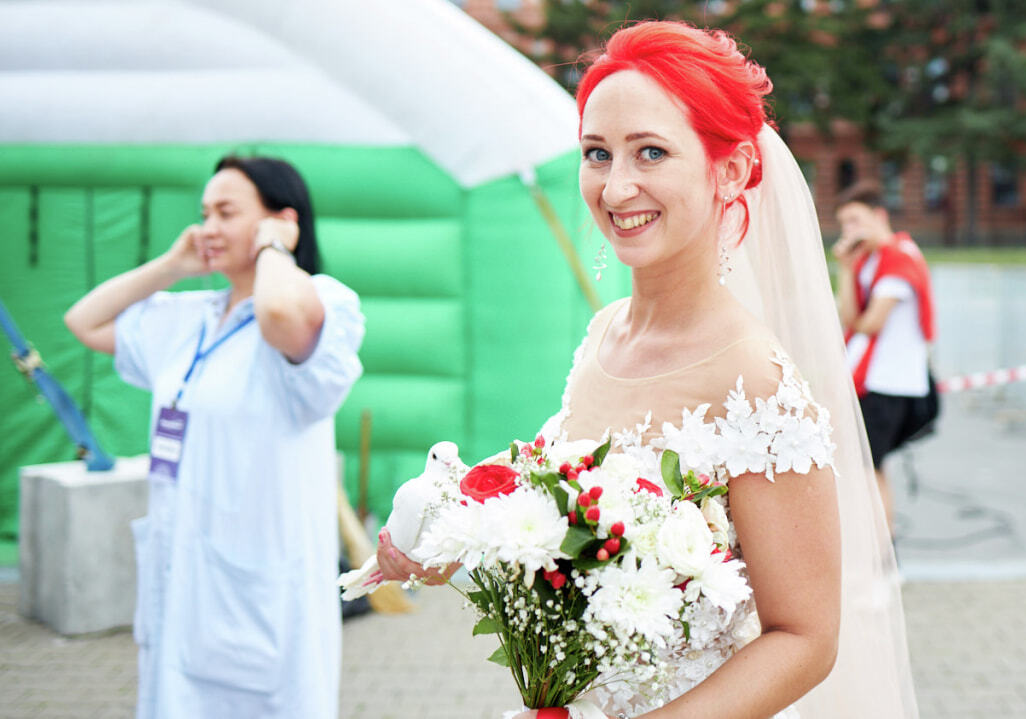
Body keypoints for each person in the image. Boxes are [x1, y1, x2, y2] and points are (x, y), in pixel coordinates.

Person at [377, 21, 916, 719]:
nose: (617, 185)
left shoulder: (755, 379)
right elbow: (557, 505)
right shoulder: (604, 334)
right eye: (596, 153)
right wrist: (445, 540)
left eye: (651, 152)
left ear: (730, 170)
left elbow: (807, 637)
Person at [64, 156, 364, 719]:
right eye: (204, 213)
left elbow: (276, 311)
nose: (208, 227)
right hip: (182, 581)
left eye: (227, 212)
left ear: (281, 219)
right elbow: (84, 322)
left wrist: (276, 249)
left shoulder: (324, 302)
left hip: (260, 593)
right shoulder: (189, 316)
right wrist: (172, 266)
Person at [832, 180, 936, 533]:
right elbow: (850, 318)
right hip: (875, 381)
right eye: (844, 224)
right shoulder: (870, 262)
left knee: (868, 470)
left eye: (856, 221)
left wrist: (851, 278)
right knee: (868, 467)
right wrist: (846, 269)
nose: (850, 231)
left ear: (879, 216)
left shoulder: (900, 258)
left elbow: (869, 323)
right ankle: (878, 549)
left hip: (888, 383)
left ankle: (883, 554)